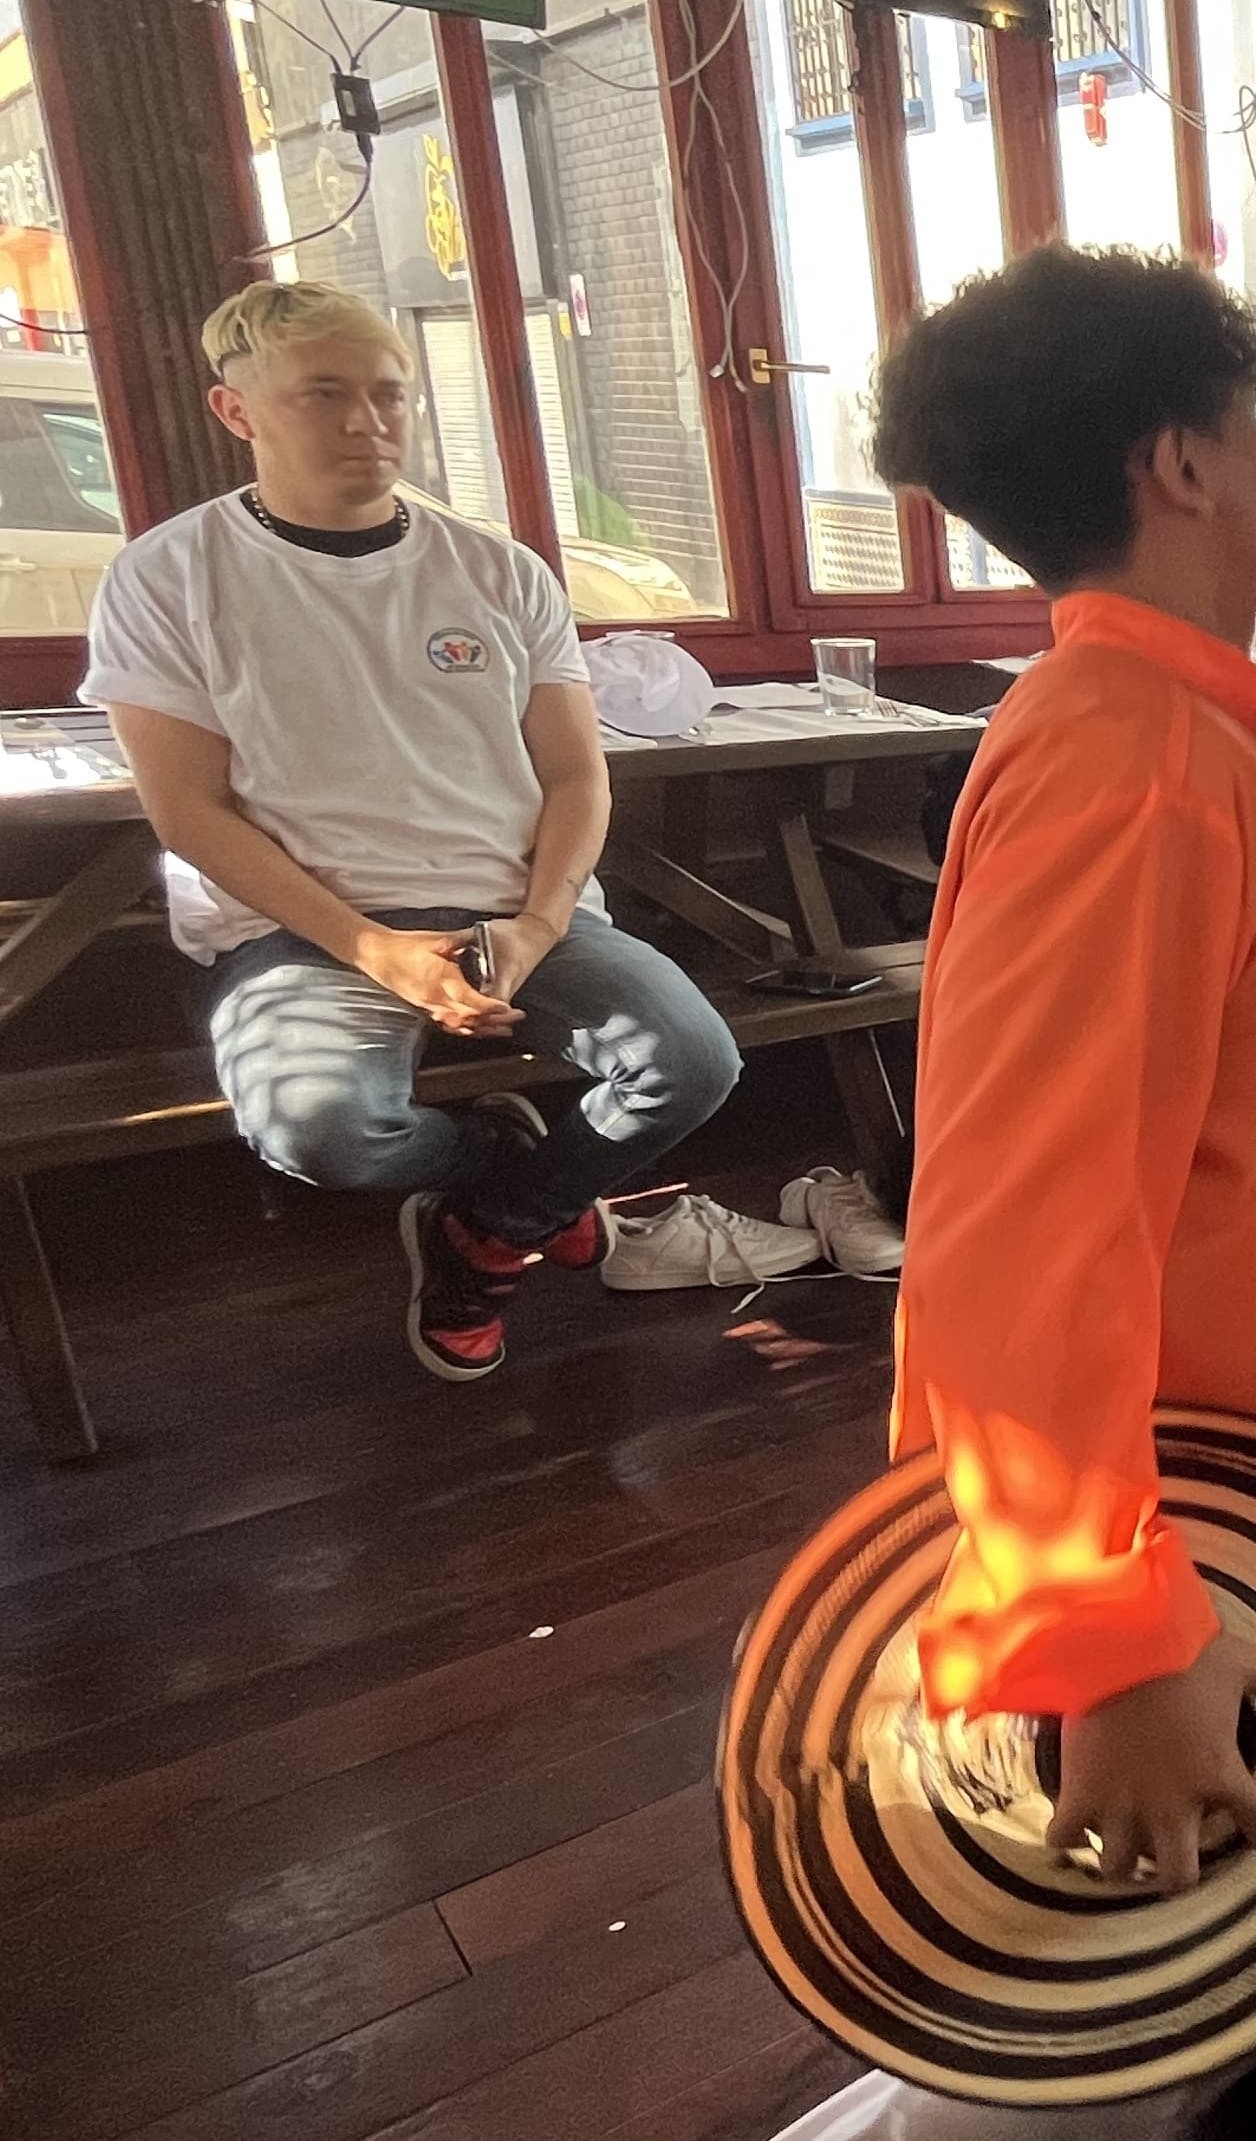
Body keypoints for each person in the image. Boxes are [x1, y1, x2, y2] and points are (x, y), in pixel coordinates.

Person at [595, 244, 1256, 2141]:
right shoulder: (1132, 758)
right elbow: (1023, 1226)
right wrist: (1108, 1625)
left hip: (1242, 1464)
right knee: (1095, 2023)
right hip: (1176, 1501)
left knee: (1176, 1971)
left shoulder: (1183, 725)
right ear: (1182, 463)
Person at [79, 280, 756, 1383]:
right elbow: (186, 808)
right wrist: (371, 946)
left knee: (691, 1058)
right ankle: (513, 1169)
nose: (368, 421)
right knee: (321, 1128)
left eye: (390, 394)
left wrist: (539, 920)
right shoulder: (167, 575)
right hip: (298, 928)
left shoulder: (498, 569)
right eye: (324, 395)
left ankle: (488, 1227)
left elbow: (577, 773)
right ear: (236, 410)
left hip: (510, 908)